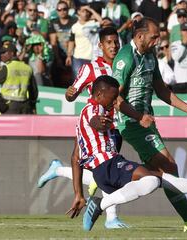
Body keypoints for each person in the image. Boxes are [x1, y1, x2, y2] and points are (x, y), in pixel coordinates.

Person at [66, 75, 187, 231]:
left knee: (156, 178)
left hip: (105, 171)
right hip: (108, 165)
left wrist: (79, 194)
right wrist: (100, 124)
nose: (115, 102)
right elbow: (95, 119)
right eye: (112, 97)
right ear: (99, 95)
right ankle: (99, 204)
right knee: (152, 180)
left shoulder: (83, 119)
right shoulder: (93, 110)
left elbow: (75, 158)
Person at [111, 17, 187, 233]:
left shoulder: (149, 56)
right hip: (131, 123)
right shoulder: (125, 58)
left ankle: (110, 185)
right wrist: (138, 117)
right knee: (169, 167)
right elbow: (115, 98)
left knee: (155, 174)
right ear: (139, 36)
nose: (158, 41)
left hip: (145, 121)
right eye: (154, 36)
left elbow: (162, 90)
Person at [38, 27, 127, 229]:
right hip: (95, 122)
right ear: (101, 45)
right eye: (109, 43)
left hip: (115, 124)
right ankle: (111, 218)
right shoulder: (90, 68)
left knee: (100, 169)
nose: (113, 46)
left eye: (116, 42)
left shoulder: (124, 65)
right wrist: (70, 93)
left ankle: (58, 170)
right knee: (97, 165)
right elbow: (73, 93)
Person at [0, 43, 38, 114]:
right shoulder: (28, 68)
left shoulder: (7, 68)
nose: (1, 55)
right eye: (1, 53)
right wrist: (32, 106)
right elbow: (34, 91)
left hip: (9, 107)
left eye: (4, 52)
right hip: (25, 108)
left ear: (11, 53)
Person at [170, 22, 187, 93]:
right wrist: (184, 44)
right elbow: (175, 57)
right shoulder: (175, 44)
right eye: (184, 30)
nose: (186, 33)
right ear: (180, 32)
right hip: (178, 81)